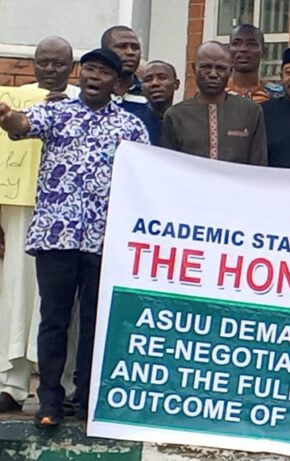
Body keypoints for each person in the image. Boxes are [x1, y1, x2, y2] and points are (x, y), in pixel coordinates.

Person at [0, 48, 149, 427]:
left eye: (104, 73)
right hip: (56, 235)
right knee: (54, 319)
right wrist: (6, 117)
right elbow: (22, 124)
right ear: (79, 75)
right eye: (90, 70)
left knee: (95, 321)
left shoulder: (131, 127)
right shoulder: (57, 112)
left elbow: (147, 176)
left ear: (117, 83)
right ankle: (49, 401)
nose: (94, 77)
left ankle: (87, 399)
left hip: (104, 238)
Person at [162, 41, 267, 165]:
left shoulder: (250, 112)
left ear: (231, 71)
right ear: (194, 68)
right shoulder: (176, 116)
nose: (213, 74)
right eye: (206, 67)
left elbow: (258, 165)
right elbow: (168, 166)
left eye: (221, 68)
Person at [122, 61, 179, 145]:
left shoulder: (185, 120)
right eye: (148, 80)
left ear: (176, 84)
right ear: (142, 87)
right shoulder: (131, 121)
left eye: (162, 78)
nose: (154, 83)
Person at [227, 24, 283, 102]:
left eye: (251, 44)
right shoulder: (216, 93)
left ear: (264, 51)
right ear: (228, 50)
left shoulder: (279, 96)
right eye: (236, 43)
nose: (243, 49)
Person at [21, 36, 80, 101]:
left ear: (72, 67)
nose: (49, 69)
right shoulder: (21, 95)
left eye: (58, 64)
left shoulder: (83, 99)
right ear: (34, 64)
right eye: (43, 63)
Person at [100, 25, 146, 103]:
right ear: (104, 52)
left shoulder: (149, 95)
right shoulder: (87, 92)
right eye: (122, 47)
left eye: (135, 47)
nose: (130, 52)